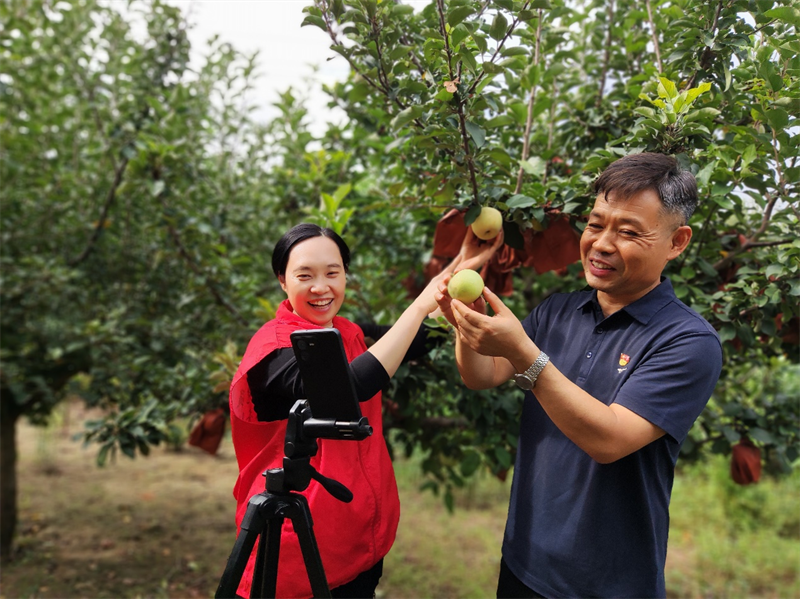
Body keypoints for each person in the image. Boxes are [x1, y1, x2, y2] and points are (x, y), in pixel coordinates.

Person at [435, 153, 723, 599]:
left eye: (628, 231)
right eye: (595, 224)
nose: (603, 243)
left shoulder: (687, 341)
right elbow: (483, 374)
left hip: (608, 582)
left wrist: (525, 354)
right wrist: (465, 322)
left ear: (677, 241)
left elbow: (609, 440)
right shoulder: (558, 310)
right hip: (523, 561)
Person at [227, 222, 502, 599]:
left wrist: (462, 267)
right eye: (304, 275)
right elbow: (344, 390)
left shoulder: (348, 332)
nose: (321, 287)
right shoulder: (272, 351)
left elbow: (413, 337)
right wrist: (421, 302)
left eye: (333, 273)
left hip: (358, 541)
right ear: (282, 280)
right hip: (299, 550)